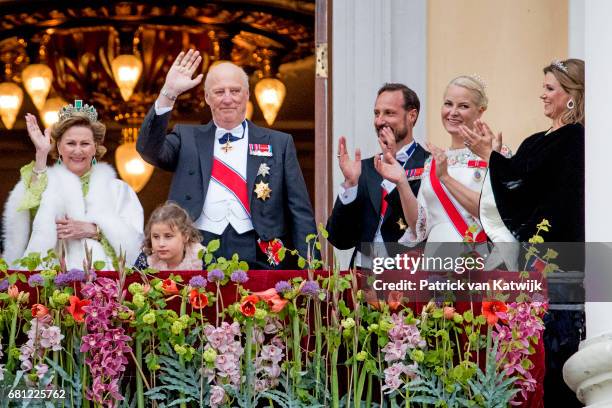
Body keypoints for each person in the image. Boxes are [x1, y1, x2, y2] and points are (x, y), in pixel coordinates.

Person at [461, 59, 585, 408]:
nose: (541, 95)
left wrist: (491, 157)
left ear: (572, 95)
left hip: (561, 265)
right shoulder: (535, 141)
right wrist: (493, 158)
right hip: (527, 263)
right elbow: (516, 185)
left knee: (558, 355)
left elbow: (531, 191)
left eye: (549, 88)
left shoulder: (575, 141)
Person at [137, 50, 317, 269]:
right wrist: (169, 93)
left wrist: (312, 269)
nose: (228, 98)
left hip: (259, 251)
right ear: (207, 97)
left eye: (235, 91)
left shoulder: (279, 143)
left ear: (247, 94)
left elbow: (299, 210)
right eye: (219, 91)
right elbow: (148, 150)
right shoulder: (187, 137)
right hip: (198, 248)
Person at [2, 101, 144, 270]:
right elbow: (27, 215)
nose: (78, 151)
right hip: (49, 285)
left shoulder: (118, 190)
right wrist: (41, 154)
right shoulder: (44, 184)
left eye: (85, 144)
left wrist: (94, 230)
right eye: (71, 143)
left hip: (104, 287)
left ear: (95, 148)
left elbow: (135, 246)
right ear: (59, 147)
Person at [375, 76, 492, 246]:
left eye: (463, 106)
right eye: (448, 104)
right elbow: (419, 226)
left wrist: (445, 178)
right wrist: (401, 181)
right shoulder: (433, 162)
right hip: (436, 261)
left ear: (480, 111)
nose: (453, 112)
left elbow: (494, 212)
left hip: (478, 261)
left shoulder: (495, 155)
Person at [326, 83, 429, 266]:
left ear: (411, 116)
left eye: (389, 113)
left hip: (407, 278)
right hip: (360, 276)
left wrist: (396, 179)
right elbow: (339, 240)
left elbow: (425, 232)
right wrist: (350, 186)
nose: (379, 121)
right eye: (376, 113)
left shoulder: (431, 165)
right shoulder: (364, 168)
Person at [134, 202, 205, 270]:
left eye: (168, 236)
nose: (161, 244)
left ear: (185, 236)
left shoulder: (201, 259)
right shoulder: (146, 259)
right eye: (156, 237)